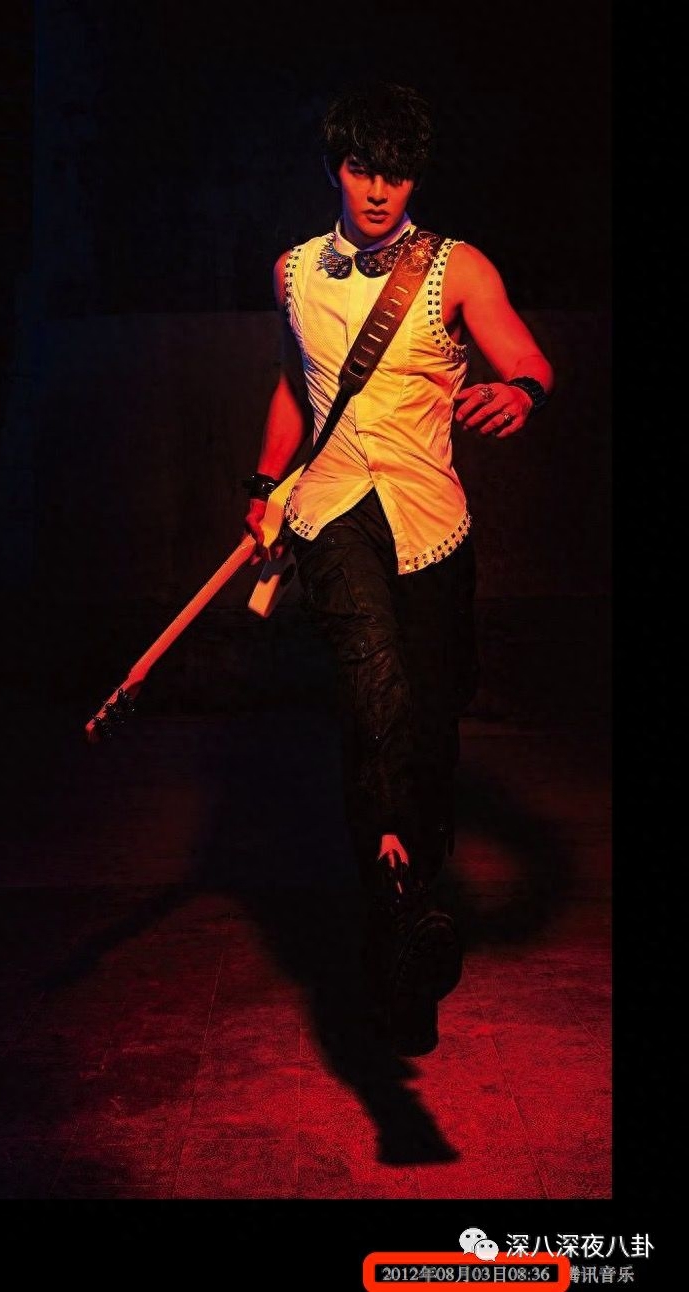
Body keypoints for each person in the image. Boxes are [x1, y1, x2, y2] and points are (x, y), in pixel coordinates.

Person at [242, 82, 553, 1056]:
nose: (378, 191)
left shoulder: (457, 267)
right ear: (333, 168)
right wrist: (264, 486)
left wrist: (521, 393)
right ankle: (395, 915)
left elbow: (524, 357)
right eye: (361, 168)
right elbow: (295, 386)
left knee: (426, 727)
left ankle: (407, 920)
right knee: (371, 690)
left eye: (397, 173)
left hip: (431, 524)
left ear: (415, 179)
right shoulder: (295, 271)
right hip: (332, 511)